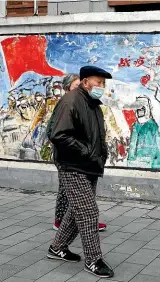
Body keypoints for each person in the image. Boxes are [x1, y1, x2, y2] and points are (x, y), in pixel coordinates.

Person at [46, 66, 114, 278]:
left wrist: (99, 154)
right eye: (99, 82)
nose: (102, 87)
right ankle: (93, 259)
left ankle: (57, 247)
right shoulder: (71, 101)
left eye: (103, 83)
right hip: (73, 165)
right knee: (88, 211)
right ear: (85, 82)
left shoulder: (92, 103)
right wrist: (86, 152)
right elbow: (59, 134)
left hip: (89, 166)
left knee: (77, 211)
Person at [52, 73, 107, 232]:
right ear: (68, 88)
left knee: (83, 195)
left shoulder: (86, 103)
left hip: (83, 157)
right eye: (76, 86)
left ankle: (83, 221)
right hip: (68, 157)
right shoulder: (66, 103)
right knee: (66, 190)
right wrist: (84, 149)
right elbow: (56, 133)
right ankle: (61, 220)